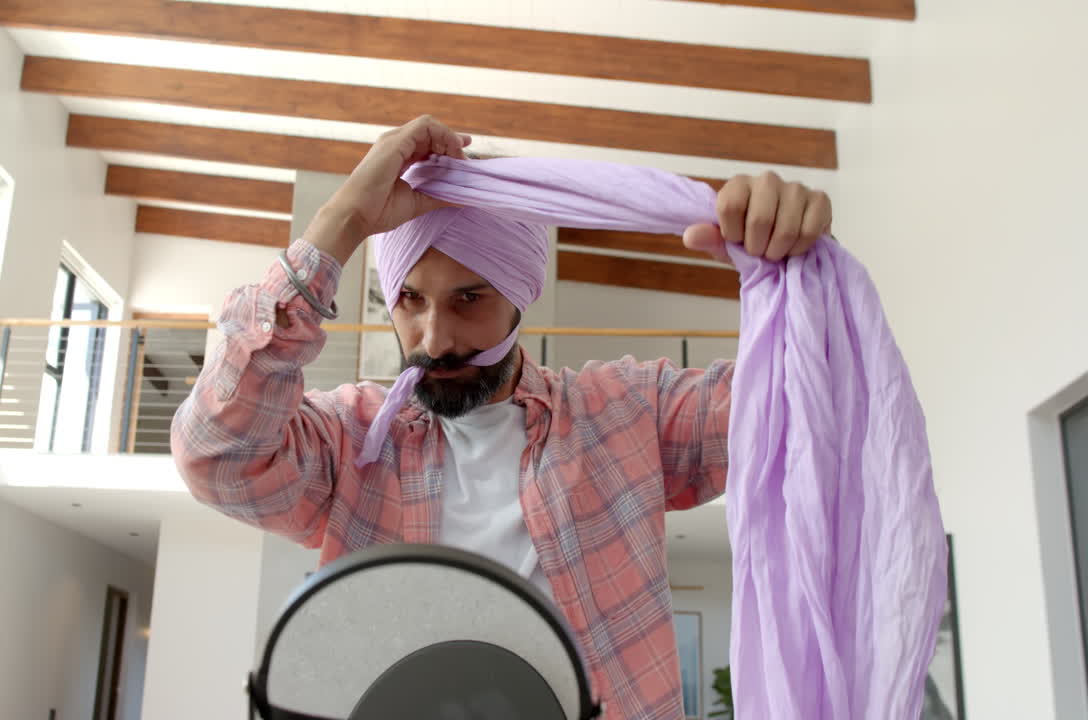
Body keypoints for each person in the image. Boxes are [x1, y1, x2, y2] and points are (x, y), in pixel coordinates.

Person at [171, 115, 833, 720]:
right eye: (409, 299)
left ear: (519, 295)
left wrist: (793, 274)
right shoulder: (347, 443)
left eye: (469, 297)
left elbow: (805, 408)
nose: (434, 337)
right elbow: (215, 456)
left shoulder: (630, 413)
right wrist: (342, 220)